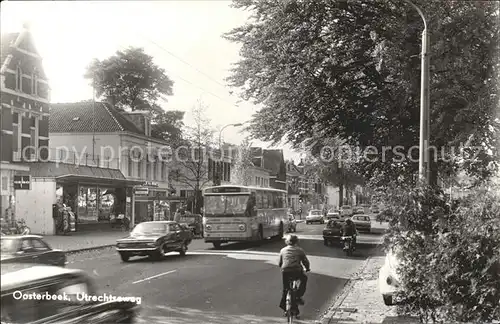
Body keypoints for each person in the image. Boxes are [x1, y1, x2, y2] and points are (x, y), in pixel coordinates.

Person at [278, 234, 310, 318]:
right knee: (304, 278)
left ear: (287, 242)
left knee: (286, 289)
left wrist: (282, 266)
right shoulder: (300, 250)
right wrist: (307, 268)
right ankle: (298, 295)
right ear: (296, 242)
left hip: (286, 271)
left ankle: (285, 308)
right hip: (296, 271)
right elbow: (305, 261)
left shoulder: (283, 250)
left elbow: (280, 263)